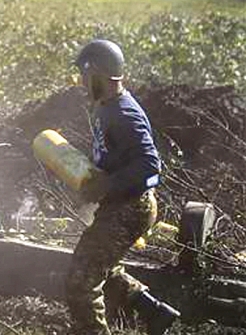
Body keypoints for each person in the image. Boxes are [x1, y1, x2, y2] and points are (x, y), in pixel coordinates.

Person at [66, 39, 180, 335]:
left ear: (99, 76)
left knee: (81, 280)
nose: (81, 83)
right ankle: (154, 312)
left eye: (84, 76)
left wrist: (108, 183)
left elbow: (150, 165)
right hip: (121, 205)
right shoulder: (108, 107)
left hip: (131, 207)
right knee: (102, 265)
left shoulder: (125, 114)